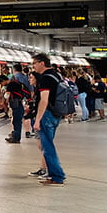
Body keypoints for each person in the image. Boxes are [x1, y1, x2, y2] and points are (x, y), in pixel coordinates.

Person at [30, 53, 66, 185]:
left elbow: (44, 100)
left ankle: (57, 176)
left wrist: (38, 119)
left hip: (47, 115)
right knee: (48, 145)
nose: (33, 66)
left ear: (41, 63)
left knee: (47, 147)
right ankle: (54, 174)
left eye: (34, 63)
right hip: (56, 114)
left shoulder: (45, 78)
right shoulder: (57, 75)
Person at [4, 70, 28, 143]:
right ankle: (15, 136)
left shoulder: (11, 85)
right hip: (19, 104)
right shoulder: (18, 84)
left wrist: (5, 94)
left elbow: (6, 96)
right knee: (16, 121)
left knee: (16, 122)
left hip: (16, 105)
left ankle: (16, 138)